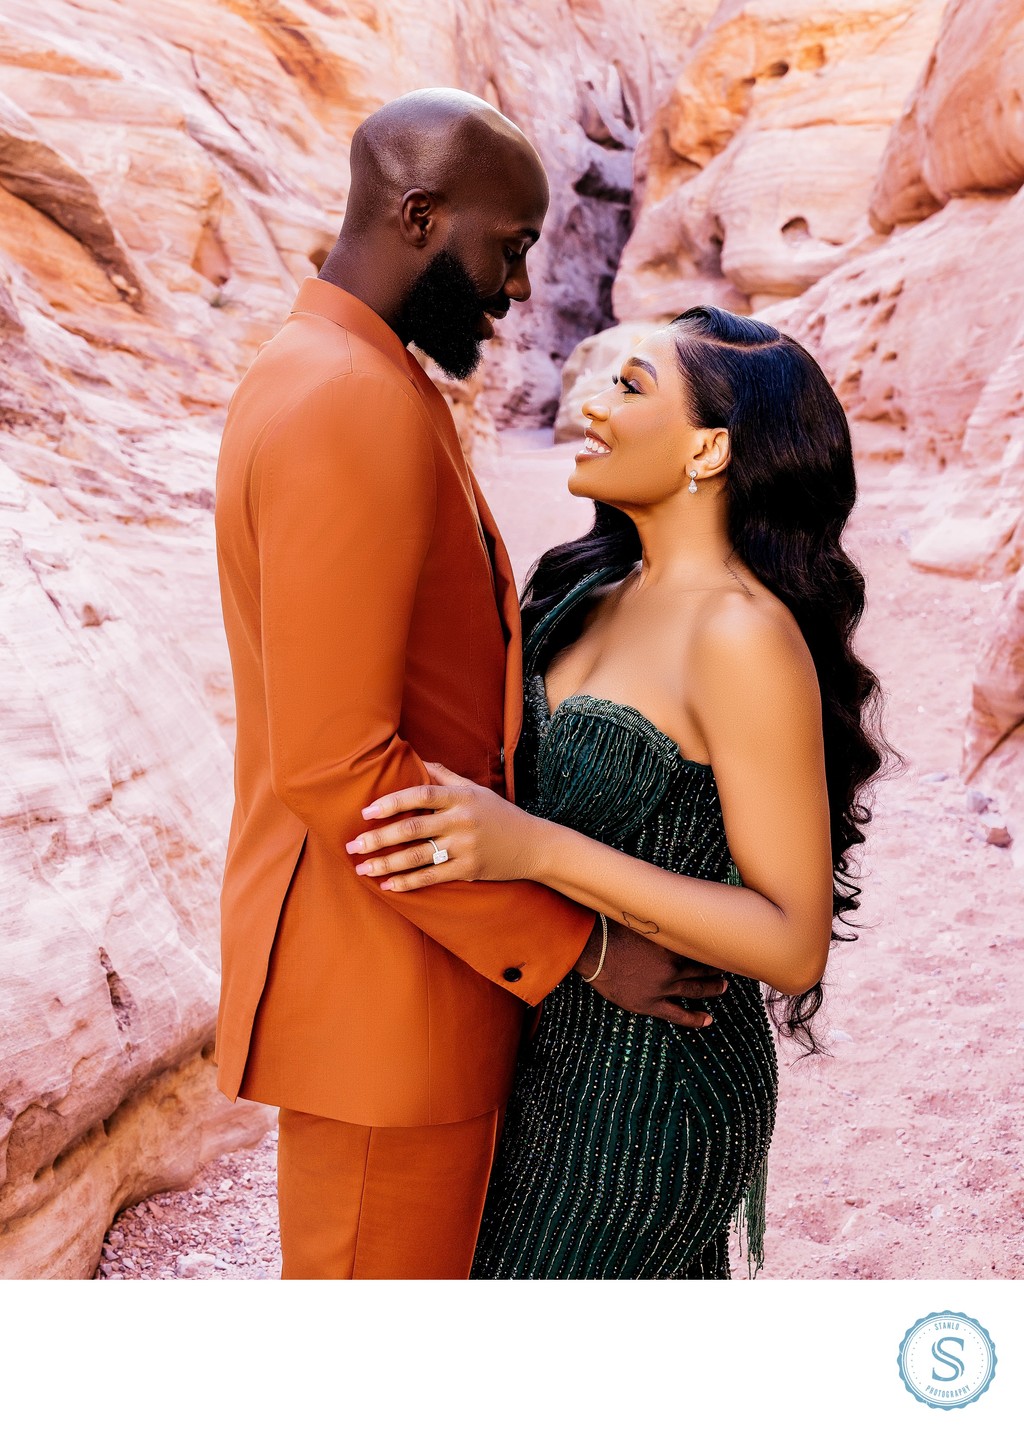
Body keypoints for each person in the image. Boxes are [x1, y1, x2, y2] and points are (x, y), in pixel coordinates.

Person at [213, 89, 725, 1281]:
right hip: (382, 995)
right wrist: (582, 949)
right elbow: (341, 763)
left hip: (402, 975)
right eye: (507, 246)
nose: (517, 286)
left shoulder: (354, 375)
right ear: (418, 212)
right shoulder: (346, 403)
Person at [345, 306, 892, 1279]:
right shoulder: (588, 584)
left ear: (710, 449)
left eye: (631, 386)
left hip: (655, 1088)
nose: (587, 403)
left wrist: (534, 850)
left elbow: (791, 938)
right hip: (546, 1043)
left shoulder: (739, 637)